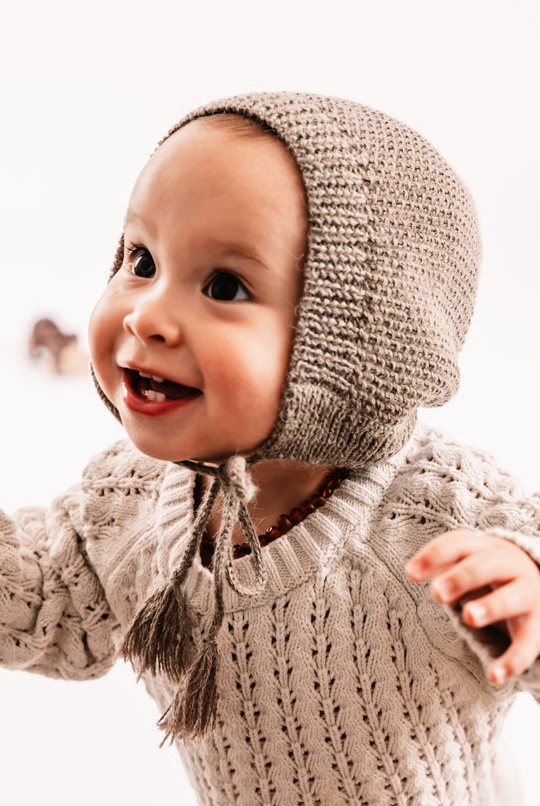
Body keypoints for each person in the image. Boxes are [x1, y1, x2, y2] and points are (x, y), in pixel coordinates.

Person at [1, 92, 539, 806]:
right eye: (141, 258)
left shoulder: (435, 511)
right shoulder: (128, 501)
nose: (146, 312)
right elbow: (46, 597)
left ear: (351, 351)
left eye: (224, 284)